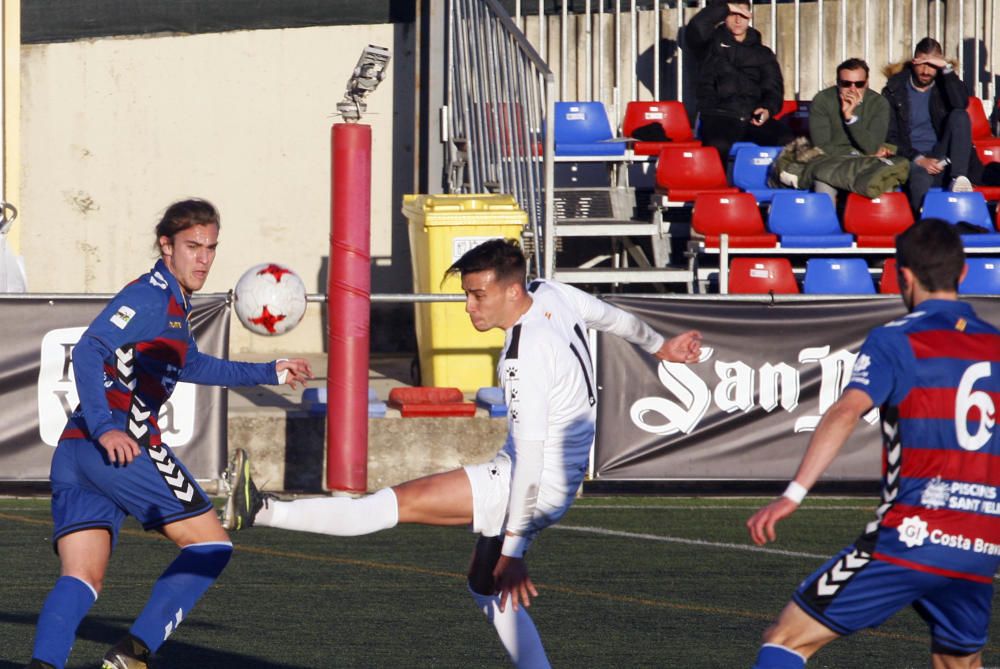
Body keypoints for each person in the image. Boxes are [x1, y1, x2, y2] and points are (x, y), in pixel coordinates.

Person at [222, 238, 702, 668]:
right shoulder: (552, 293)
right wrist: (661, 346)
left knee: (388, 506)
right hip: (559, 479)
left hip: (530, 482)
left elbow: (530, 462)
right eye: (466, 294)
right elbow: (614, 319)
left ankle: (260, 510)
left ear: (513, 292)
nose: (469, 307)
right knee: (483, 587)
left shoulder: (522, 357)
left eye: (478, 296)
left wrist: (513, 548)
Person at [24, 199, 313, 669]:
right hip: (117, 443)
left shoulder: (175, 302)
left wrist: (270, 371)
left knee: (82, 577)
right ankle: (133, 655)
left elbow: (192, 364)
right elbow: (90, 348)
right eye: (192, 246)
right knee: (211, 545)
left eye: (211, 248)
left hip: (78, 452)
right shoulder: (150, 296)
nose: (203, 257)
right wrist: (106, 430)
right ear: (166, 245)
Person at [746, 218, 1000, 669]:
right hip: (981, 541)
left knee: (786, 639)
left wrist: (792, 495)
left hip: (913, 533)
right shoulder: (995, 345)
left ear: (903, 276)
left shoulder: (897, 339)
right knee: (957, 662)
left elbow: (846, 411)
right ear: (963, 275)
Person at [686, 0, 794, 163]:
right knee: (717, 145)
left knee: (788, 140)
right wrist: (726, 7)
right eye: (733, 14)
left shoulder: (763, 53)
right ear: (724, 16)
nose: (738, 20)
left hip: (751, 117)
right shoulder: (709, 45)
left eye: (743, 15)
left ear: (749, 17)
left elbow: (773, 89)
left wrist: (767, 110)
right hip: (718, 116)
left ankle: (782, 185)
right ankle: (717, 187)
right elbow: (696, 27)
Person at [882, 37, 982, 212]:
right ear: (914, 62)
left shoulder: (945, 85)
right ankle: (926, 226)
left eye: (932, 65)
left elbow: (961, 104)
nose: (926, 71)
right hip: (911, 156)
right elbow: (891, 135)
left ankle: (959, 178)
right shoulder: (894, 89)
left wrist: (947, 69)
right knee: (920, 179)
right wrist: (919, 159)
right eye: (922, 64)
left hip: (942, 153)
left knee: (959, 115)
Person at [808, 58, 893, 205]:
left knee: (884, 185)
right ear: (838, 82)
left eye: (859, 84)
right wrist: (855, 154)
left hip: (866, 165)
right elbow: (821, 145)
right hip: (832, 164)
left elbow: (872, 146)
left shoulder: (879, 103)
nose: (852, 89)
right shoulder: (823, 100)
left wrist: (850, 118)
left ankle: (875, 227)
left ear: (866, 83)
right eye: (846, 84)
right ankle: (825, 227)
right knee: (823, 190)